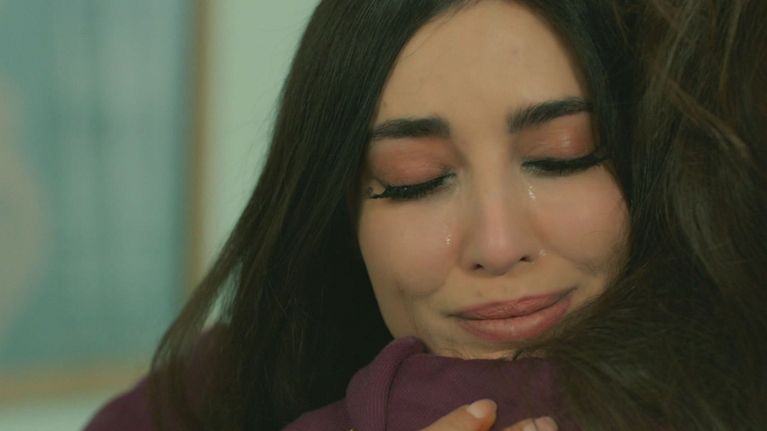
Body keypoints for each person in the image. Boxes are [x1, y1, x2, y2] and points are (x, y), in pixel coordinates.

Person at [85, 0, 766, 430]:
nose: (496, 244)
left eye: (562, 156)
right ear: (339, 213)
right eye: (415, 181)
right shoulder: (247, 365)